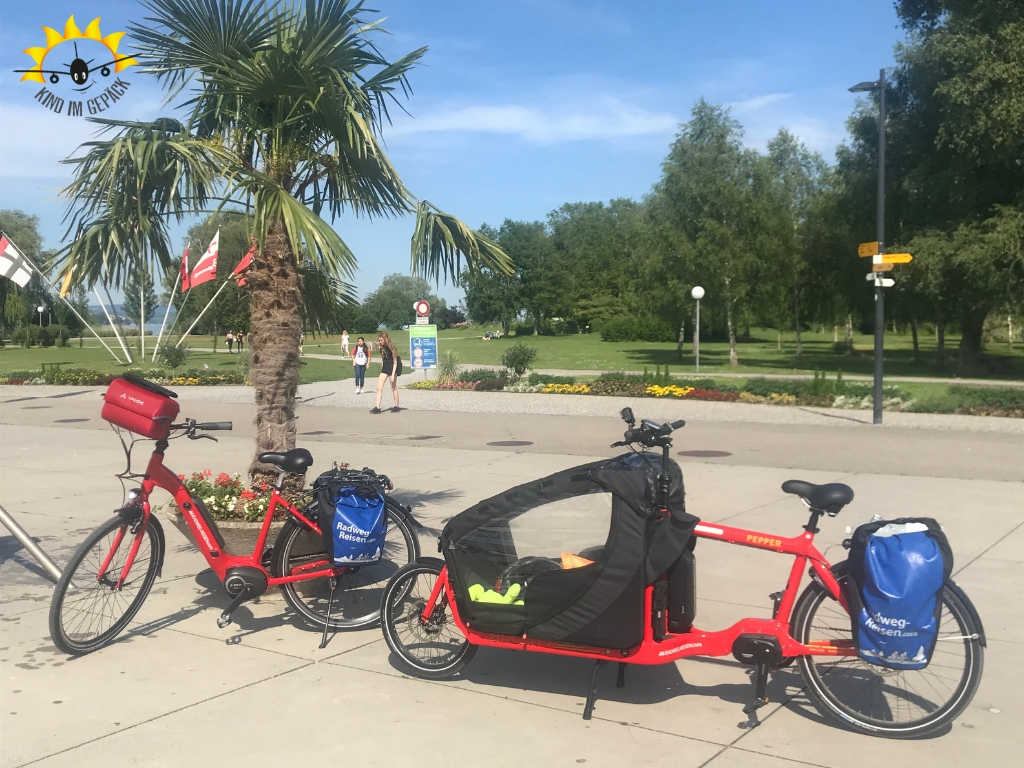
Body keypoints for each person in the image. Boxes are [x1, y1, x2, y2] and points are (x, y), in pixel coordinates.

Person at [371, 331, 402, 413]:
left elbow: (395, 362)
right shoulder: (381, 348)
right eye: (379, 340)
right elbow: (383, 359)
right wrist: (382, 369)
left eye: (381, 340)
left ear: (385, 339)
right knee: (379, 388)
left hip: (393, 368)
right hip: (385, 368)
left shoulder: (392, 347)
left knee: (393, 387)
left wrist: (392, 374)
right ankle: (377, 408)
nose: (379, 342)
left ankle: (396, 406)